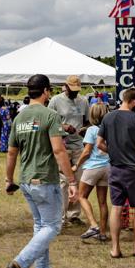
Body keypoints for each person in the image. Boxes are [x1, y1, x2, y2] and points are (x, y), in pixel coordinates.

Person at [4, 74, 78, 268]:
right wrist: (71, 179)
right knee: (53, 226)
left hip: (26, 180)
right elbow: (58, 149)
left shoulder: (19, 118)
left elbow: (11, 152)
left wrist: (9, 179)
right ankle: (20, 264)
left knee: (40, 226)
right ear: (46, 91)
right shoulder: (50, 115)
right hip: (45, 179)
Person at [97, 87, 135, 258]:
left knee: (116, 207)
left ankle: (115, 248)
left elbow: (99, 143)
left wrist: (113, 152)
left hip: (115, 169)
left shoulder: (108, 117)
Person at [49, 75, 89, 225]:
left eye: (77, 90)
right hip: (62, 144)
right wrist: (63, 127)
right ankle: (61, 216)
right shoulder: (55, 101)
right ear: (65, 86)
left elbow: (87, 121)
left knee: (78, 180)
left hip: (78, 145)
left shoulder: (83, 100)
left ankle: (74, 214)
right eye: (72, 90)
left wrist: (85, 130)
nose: (74, 93)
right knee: (63, 182)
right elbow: (48, 121)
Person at [72, 103, 110, 242]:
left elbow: (87, 151)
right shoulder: (110, 129)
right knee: (103, 202)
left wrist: (76, 165)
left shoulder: (92, 130)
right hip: (107, 167)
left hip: (93, 167)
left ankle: (94, 226)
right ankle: (103, 233)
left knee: (81, 196)